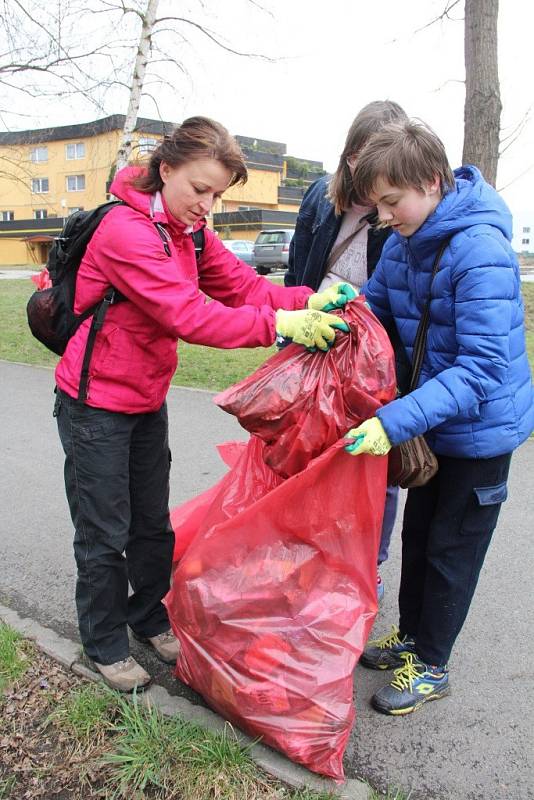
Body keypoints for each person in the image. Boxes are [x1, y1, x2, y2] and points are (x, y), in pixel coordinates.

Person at [53, 116, 353, 692]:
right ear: (165, 170)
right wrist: (280, 325)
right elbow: (186, 313)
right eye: (200, 189)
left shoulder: (187, 229)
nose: (208, 205)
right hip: (93, 405)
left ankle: (146, 617)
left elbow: (241, 285)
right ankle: (104, 641)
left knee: (151, 524)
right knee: (103, 527)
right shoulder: (126, 231)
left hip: (144, 398)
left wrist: (308, 296)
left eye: (217, 193)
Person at [345, 119, 534, 715]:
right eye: (378, 205)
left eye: (392, 202)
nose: (385, 217)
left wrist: (393, 420)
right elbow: (373, 307)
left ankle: (433, 664)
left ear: (431, 181)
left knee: (452, 548)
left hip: (481, 434)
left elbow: (481, 369)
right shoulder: (407, 240)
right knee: (420, 535)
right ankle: (409, 638)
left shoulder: (480, 250)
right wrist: (335, 312)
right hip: (434, 421)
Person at [285, 100, 409, 601]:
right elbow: (298, 271)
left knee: (370, 465)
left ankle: (366, 563)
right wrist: (291, 330)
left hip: (372, 356)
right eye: (360, 157)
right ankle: (307, 553)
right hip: (317, 345)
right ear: (349, 154)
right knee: (307, 455)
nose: (366, 171)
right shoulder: (321, 197)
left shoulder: (396, 210)